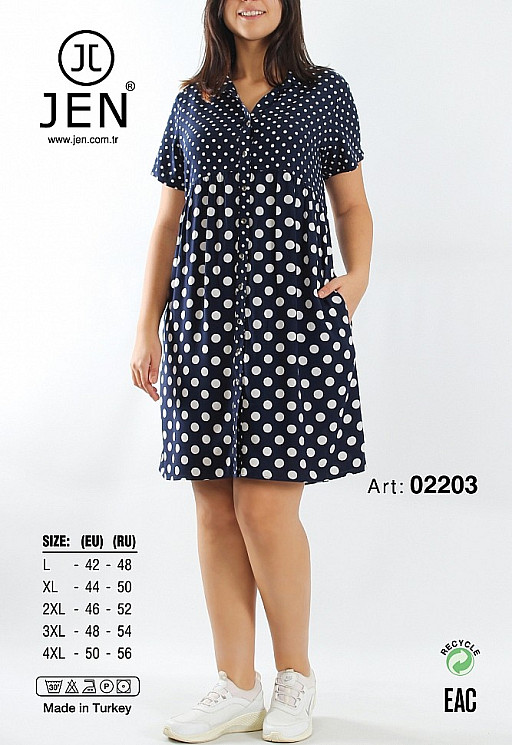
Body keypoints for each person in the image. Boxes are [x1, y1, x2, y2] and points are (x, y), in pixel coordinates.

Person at [130, 0, 373, 741]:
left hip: (291, 319)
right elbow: (168, 220)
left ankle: (295, 677)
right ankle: (236, 684)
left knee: (266, 510)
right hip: (201, 321)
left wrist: (357, 277)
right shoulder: (190, 101)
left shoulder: (324, 92)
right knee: (213, 508)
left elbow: (351, 204)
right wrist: (147, 324)